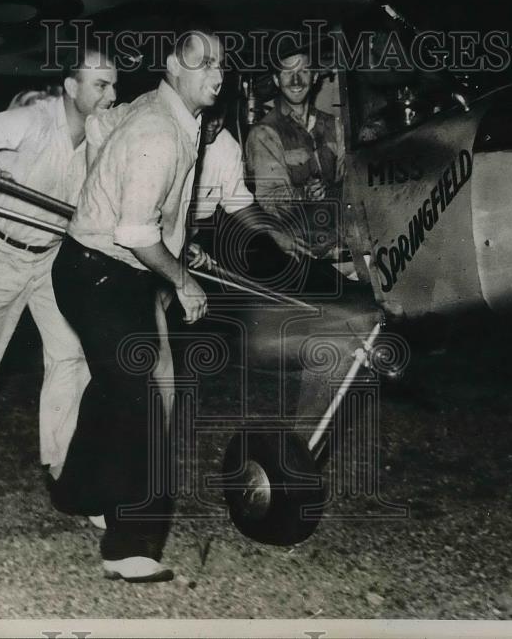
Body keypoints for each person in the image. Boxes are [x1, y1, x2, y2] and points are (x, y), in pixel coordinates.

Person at [48, 29, 220, 583]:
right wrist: (183, 279)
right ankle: (129, 548)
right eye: (203, 63)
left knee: (113, 386)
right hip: (100, 272)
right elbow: (134, 231)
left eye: (222, 64)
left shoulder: (162, 108)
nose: (217, 74)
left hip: (105, 270)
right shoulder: (161, 130)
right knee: (141, 400)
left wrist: (177, 241)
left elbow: (110, 139)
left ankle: (76, 492)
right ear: (174, 65)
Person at [0, 53, 117, 473]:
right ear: (72, 87)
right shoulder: (35, 119)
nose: (111, 96)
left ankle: (61, 458)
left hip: (52, 258)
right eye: (101, 86)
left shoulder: (105, 133)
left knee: (70, 353)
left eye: (114, 85)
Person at [244, 49, 345, 256]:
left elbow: (352, 182)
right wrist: (303, 194)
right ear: (276, 79)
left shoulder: (335, 125)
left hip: (344, 243)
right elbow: (270, 200)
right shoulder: (264, 133)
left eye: (304, 71)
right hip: (302, 251)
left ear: (315, 76)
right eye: (287, 72)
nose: (296, 80)